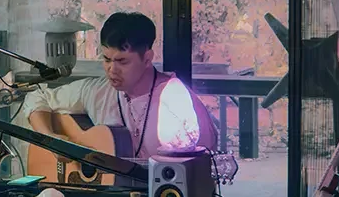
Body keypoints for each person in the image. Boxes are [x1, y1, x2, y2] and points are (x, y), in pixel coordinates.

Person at [24, 12, 217, 159]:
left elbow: (203, 166)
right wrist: (49, 139)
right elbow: (37, 96)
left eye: (122, 61)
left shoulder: (177, 101)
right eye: (106, 59)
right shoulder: (97, 91)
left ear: (147, 58)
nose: (111, 69)